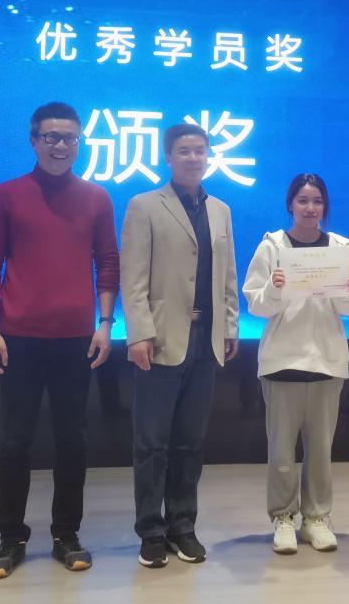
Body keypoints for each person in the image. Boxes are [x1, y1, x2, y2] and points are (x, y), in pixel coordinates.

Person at [0, 101, 119, 578]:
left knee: (72, 441)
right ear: (33, 141)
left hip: (76, 339)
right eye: (51, 136)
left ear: (80, 143)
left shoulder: (96, 198)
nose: (61, 145)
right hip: (18, 339)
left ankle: (66, 534)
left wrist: (105, 324)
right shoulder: (6, 195)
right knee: (15, 442)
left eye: (70, 138)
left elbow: (108, 262)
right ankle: (10, 538)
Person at [121, 123, 240, 568]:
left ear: (209, 156)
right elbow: (133, 277)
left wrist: (230, 326)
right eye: (183, 150)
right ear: (167, 157)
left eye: (200, 150)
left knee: (190, 442)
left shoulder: (221, 210)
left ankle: (182, 526)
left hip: (206, 340)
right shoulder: (145, 205)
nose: (193, 158)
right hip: (160, 339)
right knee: (152, 443)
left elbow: (227, 275)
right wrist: (138, 332)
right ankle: (151, 531)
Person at [242, 173, 349, 554]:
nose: (310, 208)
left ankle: (316, 517)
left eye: (317, 201)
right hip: (282, 359)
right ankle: (283, 516)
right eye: (303, 200)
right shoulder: (272, 247)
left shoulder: (341, 249)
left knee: (321, 451)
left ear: (325, 206)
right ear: (290, 205)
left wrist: (348, 293)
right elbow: (255, 305)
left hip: (326, 360)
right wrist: (275, 286)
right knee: (281, 451)